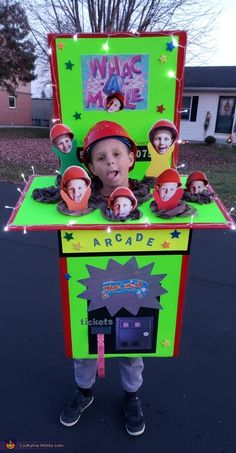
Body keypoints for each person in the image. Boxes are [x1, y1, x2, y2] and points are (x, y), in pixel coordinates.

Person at [60, 120, 147, 436]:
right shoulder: (79, 202)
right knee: (87, 345)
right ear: (92, 168)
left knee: (132, 345)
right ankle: (84, 392)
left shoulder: (147, 199)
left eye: (117, 153)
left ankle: (131, 396)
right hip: (92, 289)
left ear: (131, 158)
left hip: (135, 289)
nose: (111, 161)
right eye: (101, 157)